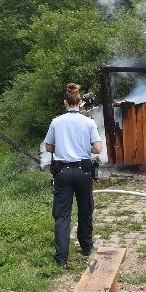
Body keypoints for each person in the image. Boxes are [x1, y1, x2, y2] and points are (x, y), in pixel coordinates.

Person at [44, 83, 103, 267]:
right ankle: (86, 247)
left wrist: (60, 146)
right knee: (85, 210)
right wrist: (86, 146)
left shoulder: (56, 122)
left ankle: (61, 258)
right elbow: (98, 148)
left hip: (62, 172)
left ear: (65, 102)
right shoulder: (89, 122)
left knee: (62, 215)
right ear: (80, 103)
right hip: (83, 171)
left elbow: (48, 146)